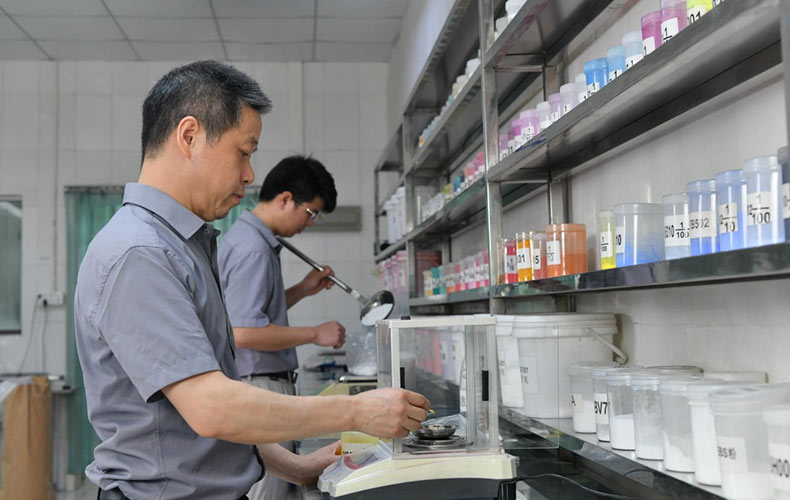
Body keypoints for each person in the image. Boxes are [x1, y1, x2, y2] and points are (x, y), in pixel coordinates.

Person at [74, 60, 430, 500]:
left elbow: (206, 407)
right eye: (244, 152)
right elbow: (211, 407)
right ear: (189, 136)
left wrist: (297, 467)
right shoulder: (141, 252)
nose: (249, 174)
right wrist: (357, 411)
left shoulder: (184, 246)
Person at [218, 155, 345, 500]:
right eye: (311, 213)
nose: (310, 223)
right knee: (265, 493)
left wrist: (302, 290)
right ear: (286, 199)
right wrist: (315, 334)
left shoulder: (249, 240)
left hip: (257, 383)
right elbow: (243, 332)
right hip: (258, 385)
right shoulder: (253, 249)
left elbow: (253, 313)